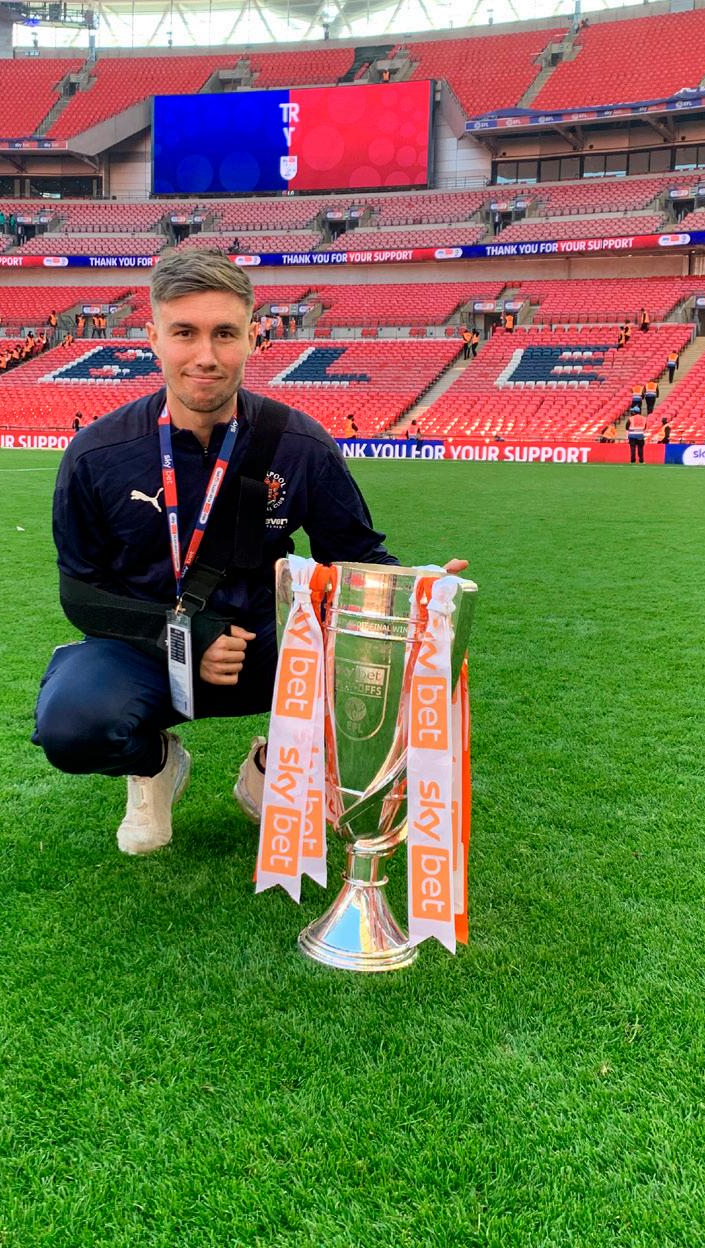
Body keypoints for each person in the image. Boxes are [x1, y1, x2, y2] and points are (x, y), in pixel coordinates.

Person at [32, 247, 466, 857]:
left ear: (253, 338)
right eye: (184, 333)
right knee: (73, 726)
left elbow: (354, 554)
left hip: (265, 648)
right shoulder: (96, 454)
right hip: (144, 649)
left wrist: (417, 589)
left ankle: (272, 766)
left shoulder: (299, 443)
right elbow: (80, 594)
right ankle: (155, 763)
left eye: (224, 333)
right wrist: (187, 635)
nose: (205, 356)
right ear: (153, 338)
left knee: (379, 666)